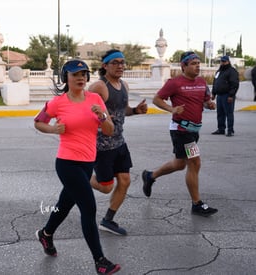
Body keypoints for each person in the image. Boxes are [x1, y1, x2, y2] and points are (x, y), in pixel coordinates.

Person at [34, 59, 121, 274]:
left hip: (87, 162)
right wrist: (54, 130)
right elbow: (38, 121)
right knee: (88, 208)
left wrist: (102, 117)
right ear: (66, 78)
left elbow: (109, 131)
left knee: (64, 204)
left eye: (84, 74)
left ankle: (46, 234)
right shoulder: (58, 103)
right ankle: (100, 260)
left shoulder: (96, 99)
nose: (81, 77)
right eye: (75, 74)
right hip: (66, 163)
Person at [141, 51, 218, 217]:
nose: (197, 66)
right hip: (181, 130)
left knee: (179, 164)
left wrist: (209, 104)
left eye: (199, 63)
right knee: (194, 162)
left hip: (194, 130)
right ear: (183, 66)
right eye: (193, 63)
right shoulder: (174, 83)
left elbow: (205, 101)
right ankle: (197, 204)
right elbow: (157, 99)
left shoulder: (202, 82)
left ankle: (150, 176)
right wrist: (171, 109)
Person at [89, 49, 147, 236]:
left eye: (123, 62)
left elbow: (124, 111)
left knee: (125, 180)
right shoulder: (99, 87)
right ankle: (81, 177)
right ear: (105, 66)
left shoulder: (124, 85)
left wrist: (136, 111)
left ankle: (108, 220)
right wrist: (101, 118)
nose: (121, 66)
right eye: (115, 62)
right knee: (106, 187)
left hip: (119, 142)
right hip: (102, 146)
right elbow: (84, 109)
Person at [211, 55, 239, 137]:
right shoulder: (219, 71)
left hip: (227, 95)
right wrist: (213, 93)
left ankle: (230, 130)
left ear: (228, 62)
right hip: (219, 95)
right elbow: (215, 82)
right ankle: (221, 129)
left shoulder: (232, 71)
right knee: (220, 113)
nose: (223, 63)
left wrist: (231, 95)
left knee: (229, 113)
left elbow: (234, 84)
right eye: (221, 61)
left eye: (224, 61)